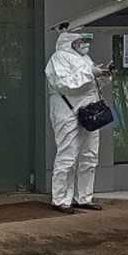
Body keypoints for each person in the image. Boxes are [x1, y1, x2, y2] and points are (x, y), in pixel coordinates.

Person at [45, 32, 110, 214]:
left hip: (88, 111)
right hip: (67, 112)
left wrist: (103, 75)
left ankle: (84, 197)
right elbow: (64, 84)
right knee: (68, 155)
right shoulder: (58, 58)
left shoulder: (85, 58)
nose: (84, 44)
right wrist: (91, 72)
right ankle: (60, 199)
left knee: (89, 155)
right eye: (81, 41)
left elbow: (90, 85)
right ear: (70, 42)